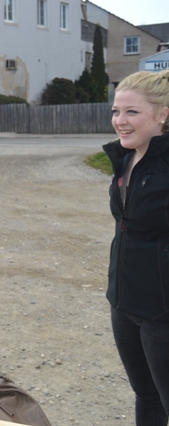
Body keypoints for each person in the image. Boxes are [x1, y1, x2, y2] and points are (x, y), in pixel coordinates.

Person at [103, 69, 169, 426]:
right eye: (116, 111)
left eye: (132, 112)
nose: (120, 121)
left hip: (162, 313)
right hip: (124, 303)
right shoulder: (126, 158)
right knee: (146, 395)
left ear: (162, 114)